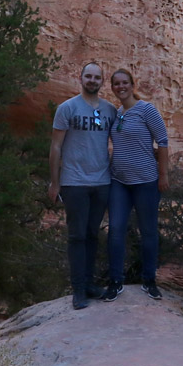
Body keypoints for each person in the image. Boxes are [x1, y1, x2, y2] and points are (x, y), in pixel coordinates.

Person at [48, 62, 118, 309]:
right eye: (88, 76)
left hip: (101, 182)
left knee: (92, 234)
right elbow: (56, 146)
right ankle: (77, 290)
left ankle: (89, 284)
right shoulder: (67, 108)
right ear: (80, 78)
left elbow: (122, 141)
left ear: (102, 81)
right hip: (74, 182)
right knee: (77, 236)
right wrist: (55, 183)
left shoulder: (110, 110)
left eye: (96, 77)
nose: (92, 80)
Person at [106, 67, 170, 300]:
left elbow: (162, 142)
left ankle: (149, 280)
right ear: (112, 88)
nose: (121, 87)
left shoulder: (146, 110)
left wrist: (163, 175)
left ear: (133, 85)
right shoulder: (116, 113)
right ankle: (115, 282)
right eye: (116, 84)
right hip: (119, 182)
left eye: (125, 83)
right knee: (115, 230)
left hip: (146, 181)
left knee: (149, 231)